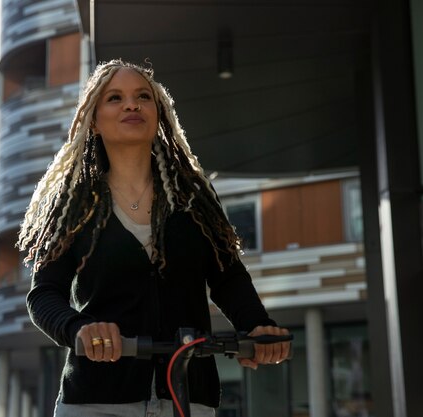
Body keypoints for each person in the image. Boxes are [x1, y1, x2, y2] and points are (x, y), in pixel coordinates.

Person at [20, 59, 290, 417]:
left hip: (188, 399)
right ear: (94, 122)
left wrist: (256, 325)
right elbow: (44, 295)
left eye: (142, 96)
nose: (132, 104)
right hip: (96, 402)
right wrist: (78, 328)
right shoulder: (75, 204)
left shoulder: (194, 197)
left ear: (159, 114)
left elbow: (227, 275)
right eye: (115, 98)